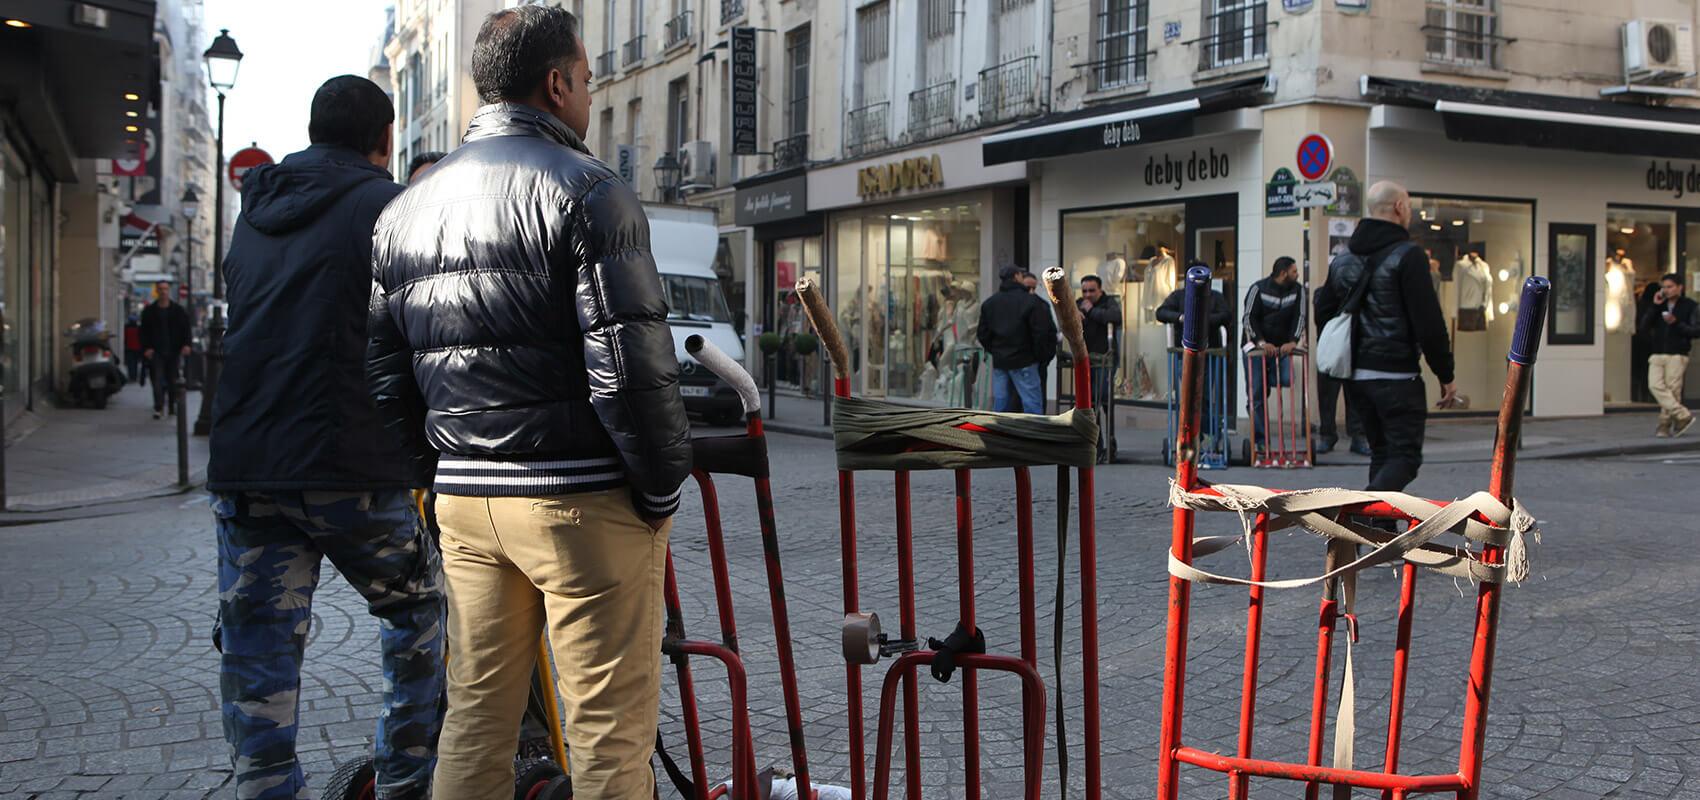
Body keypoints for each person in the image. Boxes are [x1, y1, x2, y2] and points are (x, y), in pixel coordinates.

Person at [368, 7, 692, 798]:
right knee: (608, 737)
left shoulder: (403, 210)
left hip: (467, 502)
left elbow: (385, 382)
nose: (589, 93)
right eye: (585, 79)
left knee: (476, 718)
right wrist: (659, 488)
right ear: (556, 84)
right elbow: (634, 367)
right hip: (577, 499)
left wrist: (439, 475)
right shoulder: (589, 191)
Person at [206, 75, 445, 800]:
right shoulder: (390, 205)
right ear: (384, 140)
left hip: (248, 464)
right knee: (418, 616)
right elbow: (425, 330)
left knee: (257, 650)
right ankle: (406, 781)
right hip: (354, 459)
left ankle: (265, 789)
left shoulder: (256, 211)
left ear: (313, 132)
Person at [1315, 181, 1455, 492]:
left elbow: (1323, 311)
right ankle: (1363, 512)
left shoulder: (1343, 259)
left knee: (1382, 454)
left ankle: (1381, 533)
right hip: (1396, 377)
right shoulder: (1409, 256)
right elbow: (1429, 322)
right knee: (1404, 457)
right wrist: (1445, 374)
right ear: (1399, 208)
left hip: (1356, 379)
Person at [1242, 256, 1306, 454]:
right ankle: (1261, 441)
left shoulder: (1298, 291)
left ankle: (1266, 380)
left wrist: (1293, 341)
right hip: (1256, 348)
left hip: (1281, 348)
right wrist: (1261, 342)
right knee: (1257, 395)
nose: (1297, 275)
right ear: (1283, 273)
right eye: (1294, 271)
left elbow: (1300, 316)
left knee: (1286, 379)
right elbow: (1248, 318)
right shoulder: (1258, 288)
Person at [978, 264, 1058, 413]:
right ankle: (1031, 435)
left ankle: (1000, 434)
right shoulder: (1032, 302)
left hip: (1001, 362)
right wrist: (1040, 356)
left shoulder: (990, 303)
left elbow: (982, 334)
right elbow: (1041, 333)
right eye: (1021, 276)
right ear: (1016, 277)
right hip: (1025, 361)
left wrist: (996, 350)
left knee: (1001, 405)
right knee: (1032, 407)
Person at [1639, 273, 1699, 437]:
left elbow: (1696, 331)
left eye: (1670, 286)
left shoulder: (1690, 306)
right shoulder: (1659, 305)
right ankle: (1682, 415)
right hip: (1657, 352)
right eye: (1664, 287)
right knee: (1654, 385)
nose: (1666, 290)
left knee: (1672, 390)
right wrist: (1654, 306)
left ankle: (1664, 425)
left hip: (1677, 353)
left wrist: (1676, 323)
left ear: (1680, 287)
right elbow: (1643, 326)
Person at [1078, 275, 1121, 461]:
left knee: (1103, 400)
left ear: (1100, 290)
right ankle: (1097, 444)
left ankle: (1109, 445)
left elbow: (1115, 317)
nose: (1087, 295)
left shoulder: (1109, 302)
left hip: (1105, 360)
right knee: (1091, 403)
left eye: (1091, 291)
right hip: (1087, 360)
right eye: (1084, 290)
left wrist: (1092, 311)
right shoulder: (1079, 303)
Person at [138, 281, 191, 419]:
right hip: (157, 352)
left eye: (166, 289)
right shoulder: (149, 311)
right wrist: (146, 348)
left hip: (173, 351)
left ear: (169, 291)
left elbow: (186, 329)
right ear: (157, 291)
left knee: (173, 380)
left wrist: (186, 345)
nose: (163, 291)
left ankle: (172, 405)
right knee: (157, 380)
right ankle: (159, 407)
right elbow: (143, 332)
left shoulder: (178, 311)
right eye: (160, 289)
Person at [1155, 264, 1231, 347]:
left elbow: (1226, 315)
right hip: (1183, 349)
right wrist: (1181, 317)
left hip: (1211, 348)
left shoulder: (1216, 296)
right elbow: (1160, 313)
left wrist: (1205, 320)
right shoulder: (1178, 295)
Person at [122, 314, 144, 386]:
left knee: (130, 364)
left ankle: (132, 377)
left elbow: (124, 339)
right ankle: (134, 377)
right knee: (135, 363)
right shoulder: (139, 328)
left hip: (129, 348)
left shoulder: (126, 328)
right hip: (138, 349)